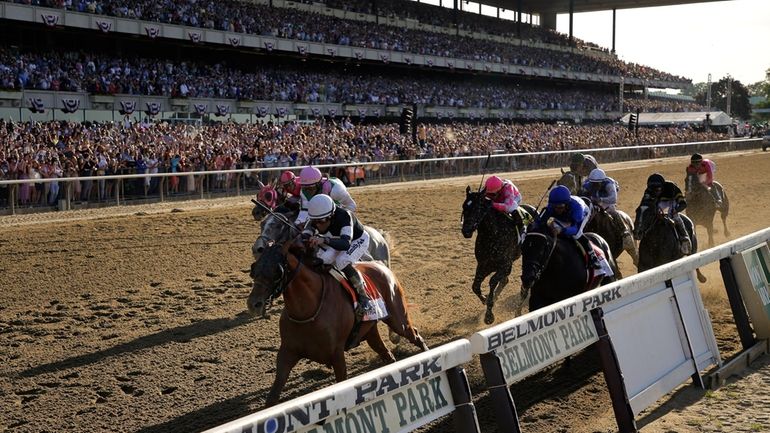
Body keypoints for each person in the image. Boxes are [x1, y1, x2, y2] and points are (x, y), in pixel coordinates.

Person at [302, 194, 374, 319]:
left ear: (331, 215)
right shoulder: (316, 217)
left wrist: (323, 240)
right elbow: (304, 235)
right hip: (335, 240)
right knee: (323, 260)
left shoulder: (344, 216)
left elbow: (345, 244)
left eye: (322, 221)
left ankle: (364, 297)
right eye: (315, 221)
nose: (318, 225)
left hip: (357, 240)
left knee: (342, 261)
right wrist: (307, 238)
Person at [538, 185, 601, 269]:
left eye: (560, 207)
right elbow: (539, 222)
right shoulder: (551, 207)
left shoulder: (577, 210)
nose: (557, 210)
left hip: (582, 212)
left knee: (577, 235)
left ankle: (593, 257)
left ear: (567, 205)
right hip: (565, 216)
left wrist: (562, 230)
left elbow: (575, 229)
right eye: (555, 207)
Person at [635, 173, 691, 255]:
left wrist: (676, 210)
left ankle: (684, 237)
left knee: (674, 216)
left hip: (672, 201)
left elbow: (683, 204)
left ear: (663, 187)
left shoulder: (672, 188)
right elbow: (644, 205)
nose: (655, 192)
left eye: (657, 190)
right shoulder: (648, 191)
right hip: (659, 203)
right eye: (653, 190)